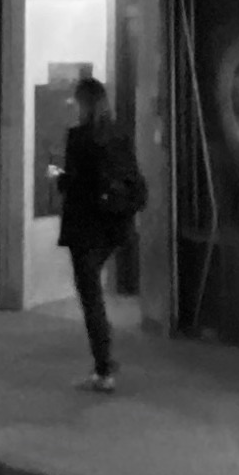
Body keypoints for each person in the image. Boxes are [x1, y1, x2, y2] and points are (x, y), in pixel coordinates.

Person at [55, 75, 143, 394]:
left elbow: (75, 185)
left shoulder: (79, 138)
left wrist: (59, 177)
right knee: (94, 294)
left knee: (90, 297)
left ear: (84, 104)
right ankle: (104, 361)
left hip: (85, 229)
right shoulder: (119, 135)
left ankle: (103, 367)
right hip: (114, 228)